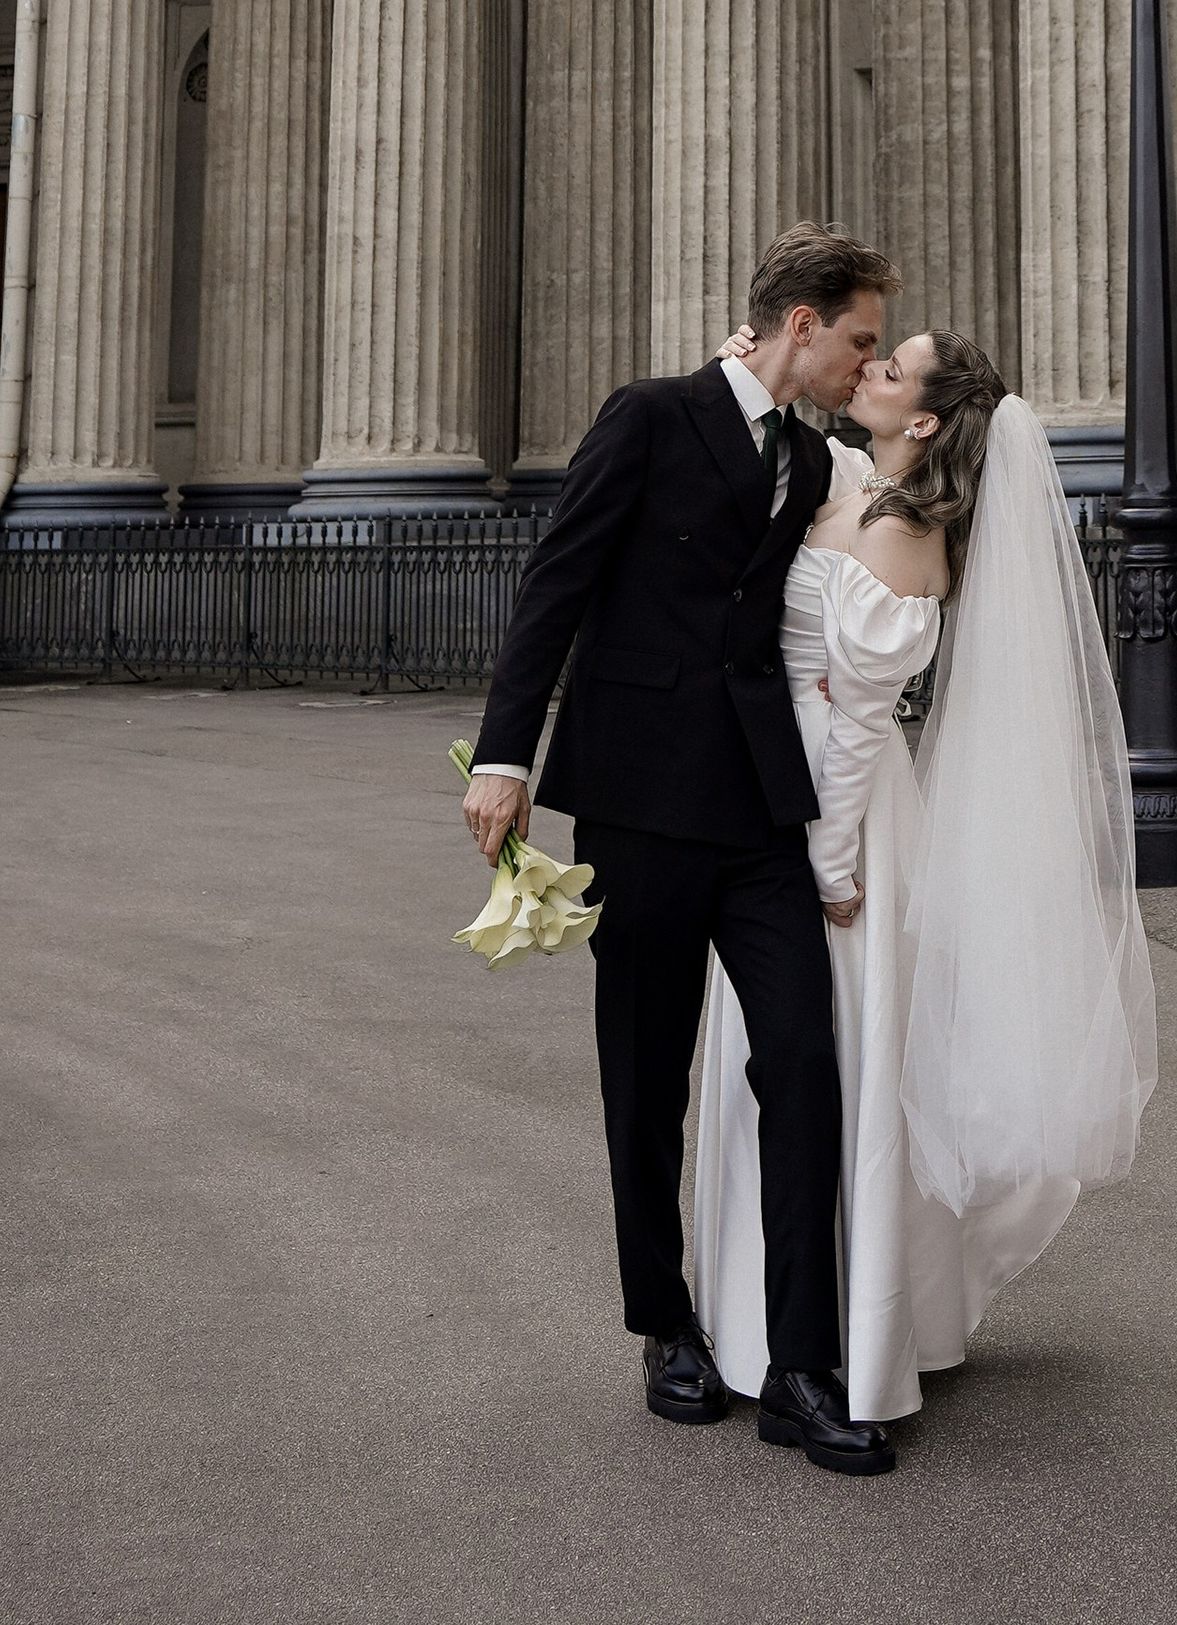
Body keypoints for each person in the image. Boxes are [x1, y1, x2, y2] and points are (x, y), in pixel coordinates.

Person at [461, 222, 901, 1476]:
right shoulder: (649, 415)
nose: (863, 364)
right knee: (649, 1079)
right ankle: (666, 1326)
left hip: (765, 805)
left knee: (805, 1065)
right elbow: (557, 581)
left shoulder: (817, 462)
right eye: (856, 338)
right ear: (801, 324)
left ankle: (804, 1368)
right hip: (643, 801)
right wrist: (505, 757)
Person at [694, 330, 1158, 1430]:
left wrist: (830, 856)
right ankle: (756, 1321)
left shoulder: (911, 534)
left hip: (839, 819)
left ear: (926, 422)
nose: (869, 373)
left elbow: (856, 726)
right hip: (773, 793)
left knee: (844, 1060)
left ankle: (851, 1331)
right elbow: (777, 464)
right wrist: (738, 376)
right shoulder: (853, 478)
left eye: (891, 371)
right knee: (770, 1058)